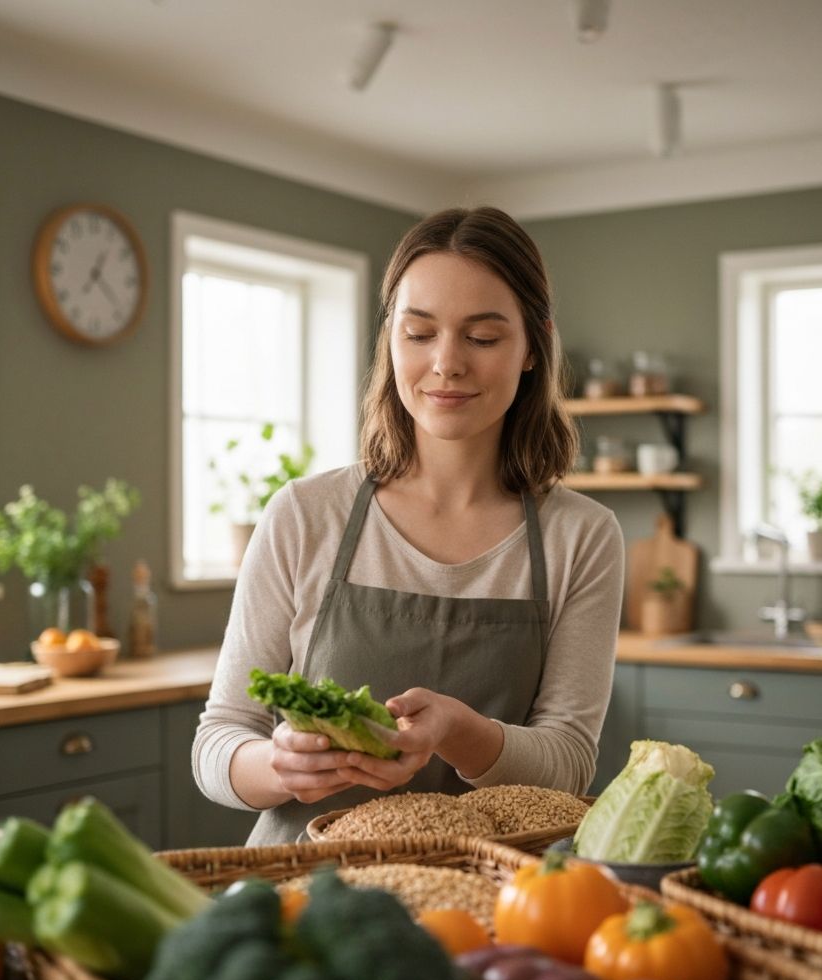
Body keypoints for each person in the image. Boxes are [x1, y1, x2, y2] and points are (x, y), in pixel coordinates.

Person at [193, 207, 624, 845]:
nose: (446, 363)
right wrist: (280, 765)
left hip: (487, 896)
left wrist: (456, 729)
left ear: (533, 346)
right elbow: (218, 741)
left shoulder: (581, 538)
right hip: (302, 886)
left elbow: (567, 764)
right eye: (419, 333)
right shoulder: (305, 514)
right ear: (389, 339)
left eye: (482, 337)